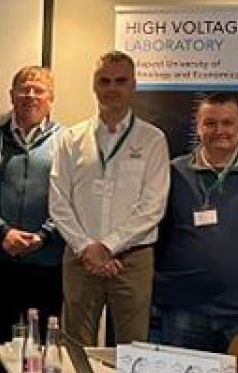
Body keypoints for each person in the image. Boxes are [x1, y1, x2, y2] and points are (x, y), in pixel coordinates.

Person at [48, 51, 170, 348]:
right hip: (80, 257)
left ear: (133, 85)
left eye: (120, 81)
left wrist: (108, 246)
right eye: (104, 81)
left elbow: (153, 206)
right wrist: (87, 248)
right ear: (94, 85)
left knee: (133, 349)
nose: (112, 88)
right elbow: (58, 201)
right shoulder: (71, 139)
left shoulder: (152, 139)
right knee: (76, 347)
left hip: (132, 259)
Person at [147, 93, 238, 353]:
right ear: (198, 127)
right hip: (182, 309)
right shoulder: (173, 171)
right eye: (210, 123)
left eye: (227, 123)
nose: (219, 131)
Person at [0, 66, 67, 372]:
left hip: (46, 264)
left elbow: (72, 200)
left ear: (51, 98)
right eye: (24, 89)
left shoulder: (67, 142)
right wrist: (2, 232)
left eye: (38, 90)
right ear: (11, 95)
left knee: (41, 352)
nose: (30, 95)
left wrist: (43, 235)